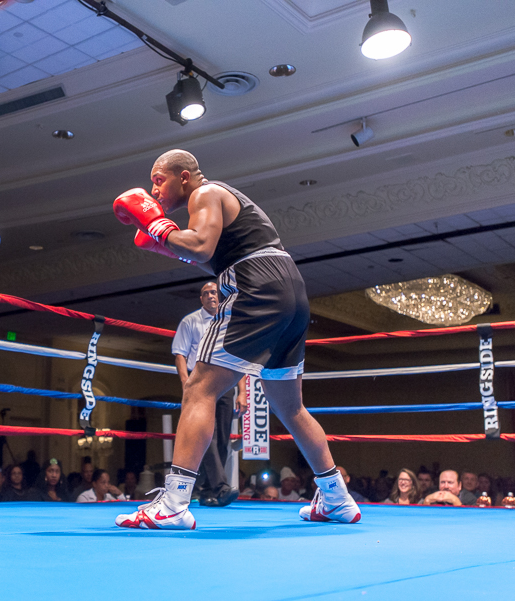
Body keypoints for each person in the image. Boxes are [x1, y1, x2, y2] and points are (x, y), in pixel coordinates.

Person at [112, 149, 360, 529]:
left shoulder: (204, 194)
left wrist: (159, 226)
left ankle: (174, 504)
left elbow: (200, 247)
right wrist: (162, 239)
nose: (153, 190)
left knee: (199, 388)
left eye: (158, 180)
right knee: (290, 407)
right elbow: (208, 255)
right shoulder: (220, 202)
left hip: (256, 286)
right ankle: (337, 499)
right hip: (291, 291)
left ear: (183, 176)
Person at [172, 281, 247, 507]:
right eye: (206, 293)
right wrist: (186, 383)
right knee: (207, 435)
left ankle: (207, 491)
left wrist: (243, 391)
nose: (211, 296)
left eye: (214, 292)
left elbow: (237, 358)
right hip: (201, 382)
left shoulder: (228, 321)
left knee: (222, 437)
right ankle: (221, 487)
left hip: (226, 381)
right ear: (201, 298)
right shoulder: (190, 321)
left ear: (220, 296)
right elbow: (180, 354)